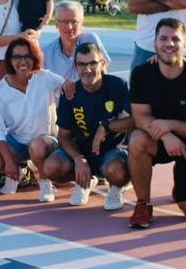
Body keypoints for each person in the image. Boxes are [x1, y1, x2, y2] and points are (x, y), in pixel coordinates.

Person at [127, 18, 186, 229]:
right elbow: (140, 117)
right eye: (163, 39)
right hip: (160, 138)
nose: (169, 44)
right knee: (137, 139)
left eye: (175, 39)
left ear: (185, 45)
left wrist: (171, 125)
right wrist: (166, 135)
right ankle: (143, 204)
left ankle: (182, 186)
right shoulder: (142, 74)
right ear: (155, 45)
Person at [42, 43, 133, 210]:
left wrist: (107, 126)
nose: (87, 69)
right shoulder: (70, 92)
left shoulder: (118, 86)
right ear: (76, 67)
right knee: (50, 167)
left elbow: (136, 121)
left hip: (112, 151)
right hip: (82, 151)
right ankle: (85, 179)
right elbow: (64, 136)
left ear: (103, 64)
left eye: (93, 63)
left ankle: (116, 186)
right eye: (82, 65)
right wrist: (78, 159)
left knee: (117, 172)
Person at [0, 37, 65, 201]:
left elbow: (68, 87)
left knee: (37, 146)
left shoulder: (45, 78)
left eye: (27, 56)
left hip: (46, 141)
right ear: (10, 60)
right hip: (17, 142)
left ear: (35, 58)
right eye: (17, 57)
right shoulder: (1, 90)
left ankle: (45, 182)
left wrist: (69, 84)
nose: (22, 61)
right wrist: (8, 161)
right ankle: (22, 170)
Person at [41, 0, 110, 84]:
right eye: (64, 22)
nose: (69, 27)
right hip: (60, 96)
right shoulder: (47, 53)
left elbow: (103, 74)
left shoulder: (90, 40)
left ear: (82, 23)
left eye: (74, 22)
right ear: (56, 23)